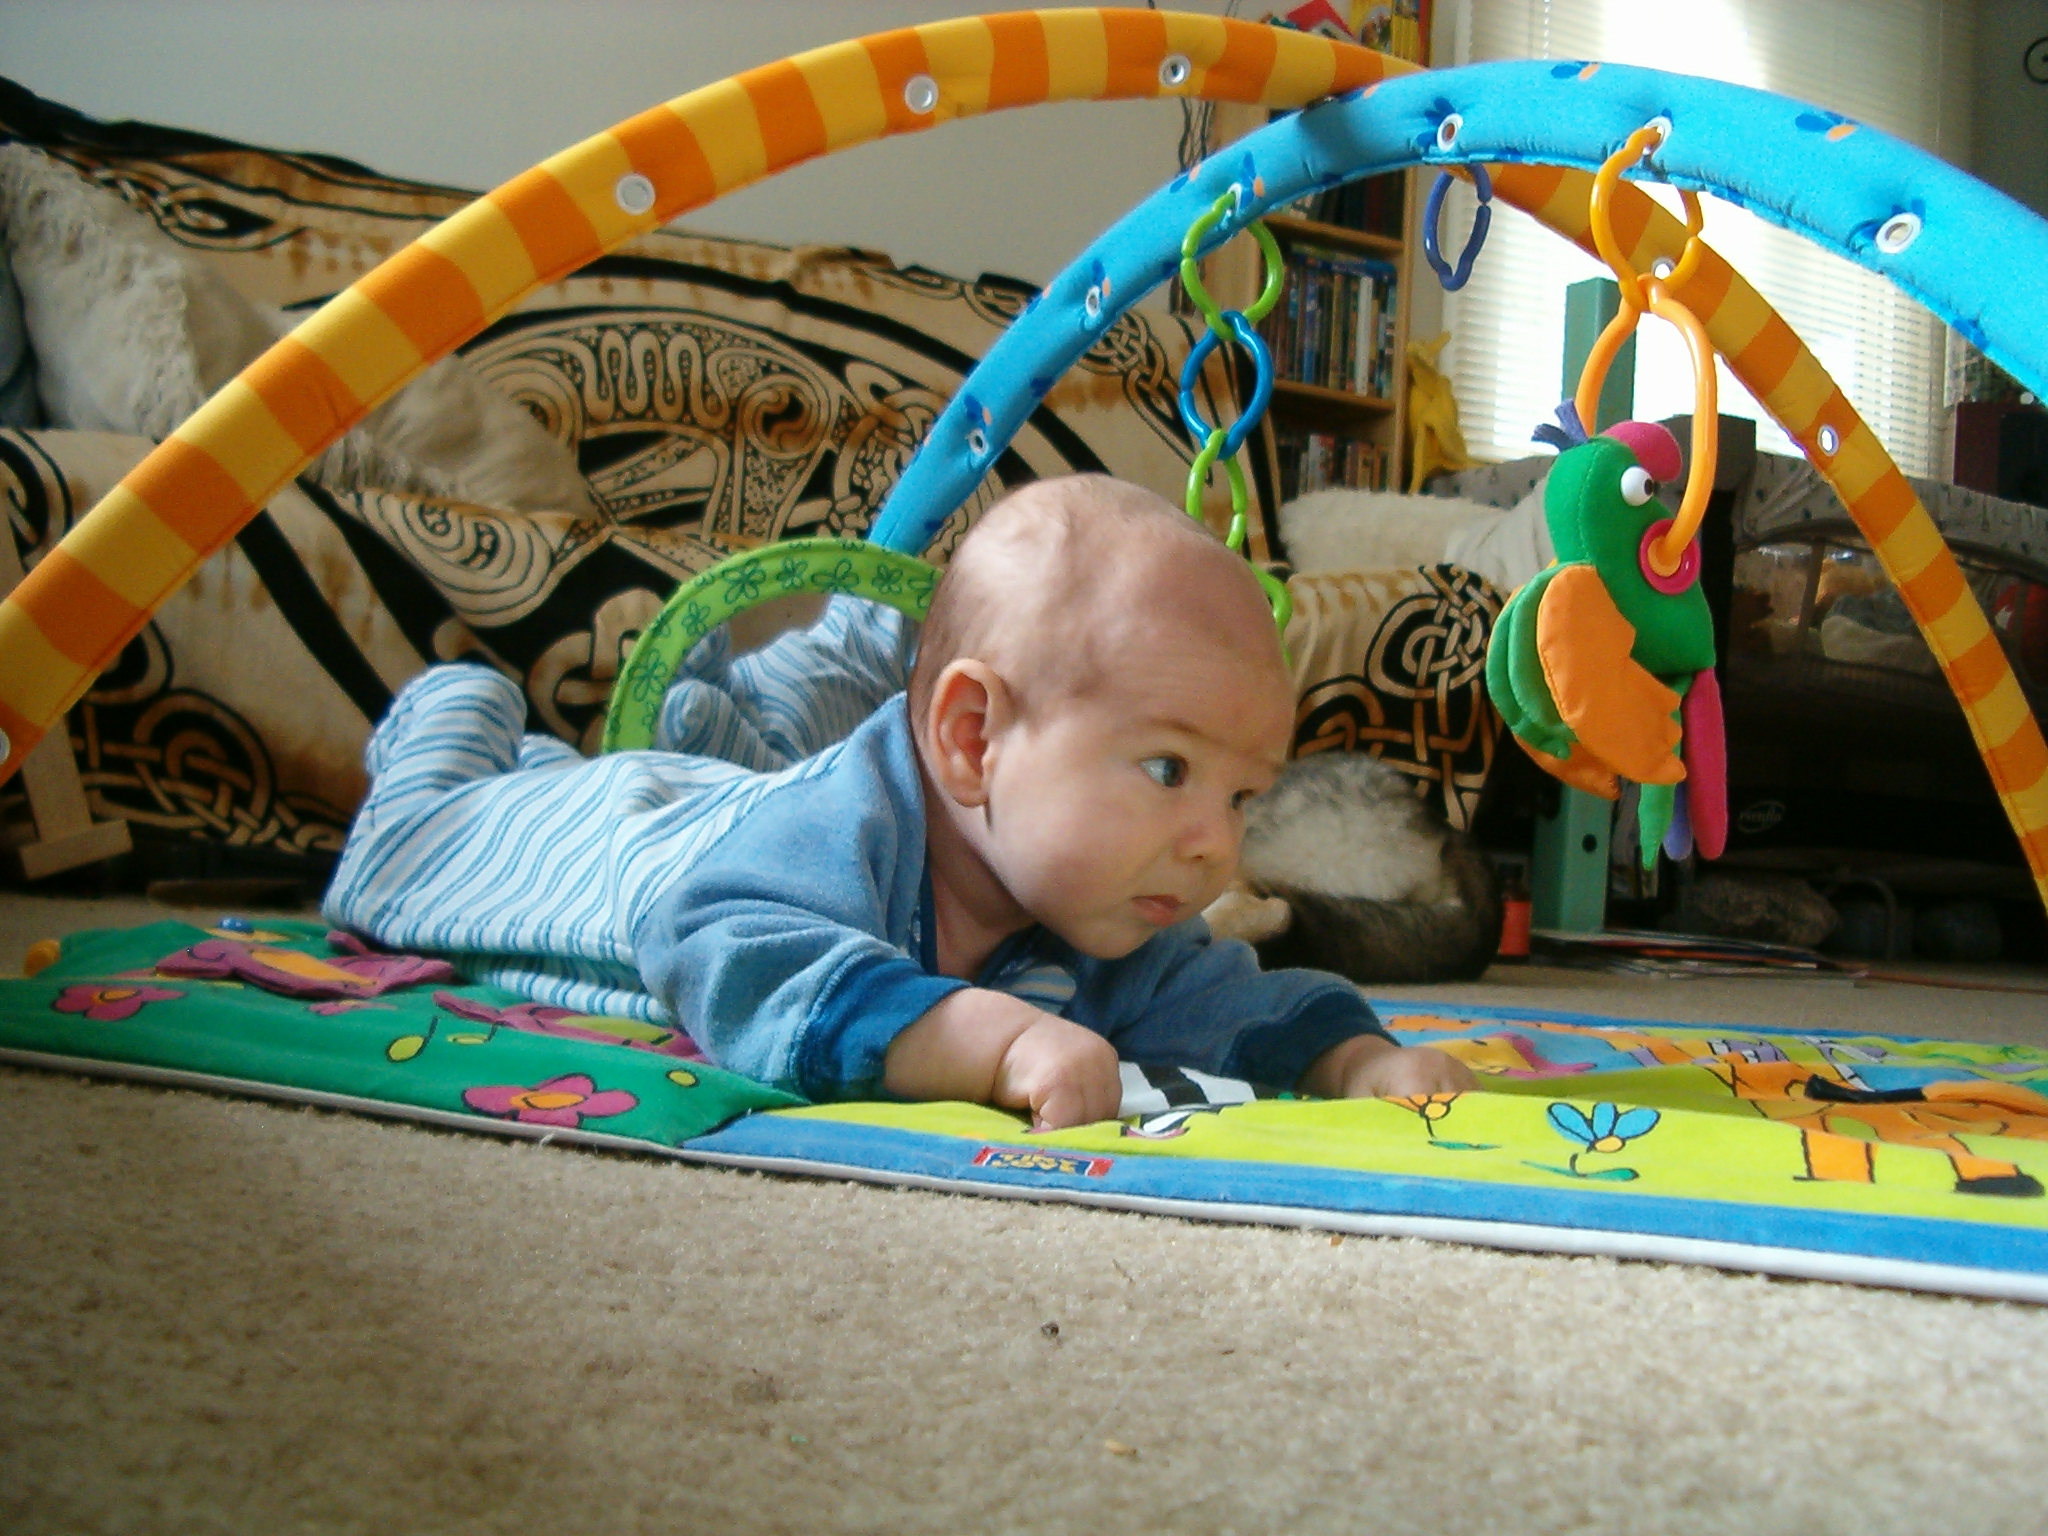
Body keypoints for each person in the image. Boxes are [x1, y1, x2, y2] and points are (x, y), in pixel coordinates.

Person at [325, 475, 1473, 1129]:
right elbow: (723, 943)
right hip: (585, 840)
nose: (1214, 845)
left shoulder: (1107, 907)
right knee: (418, 831)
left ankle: (519, 740)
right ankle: (457, 710)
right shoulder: (847, 826)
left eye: (1242, 796)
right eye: (1168, 771)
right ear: (973, 739)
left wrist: (1351, 1059)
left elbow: (1222, 1002)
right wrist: (989, 1037)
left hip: (710, 796)